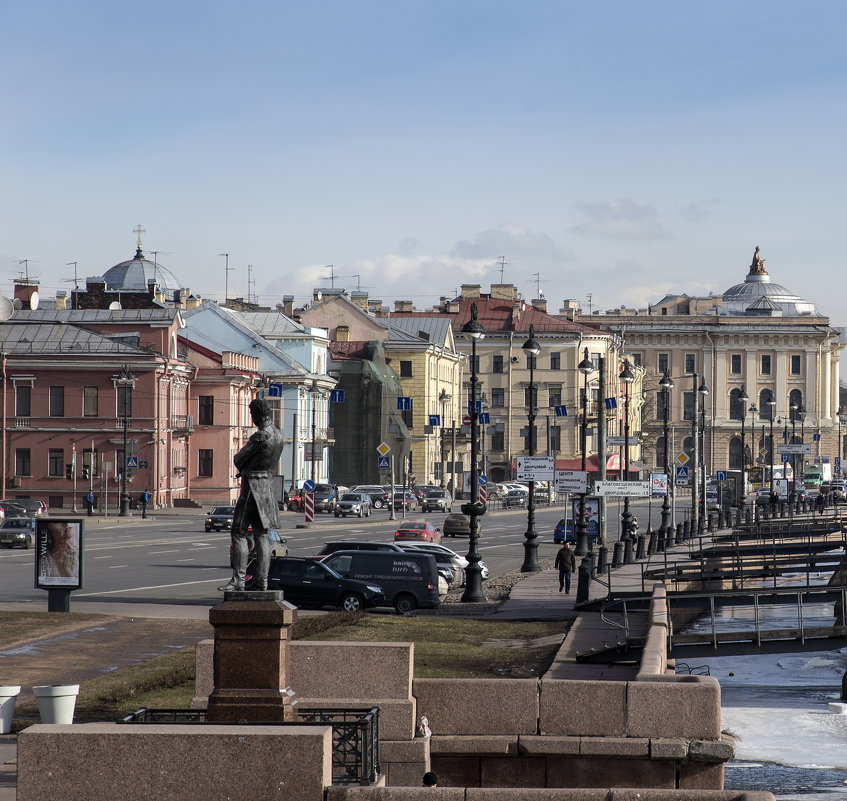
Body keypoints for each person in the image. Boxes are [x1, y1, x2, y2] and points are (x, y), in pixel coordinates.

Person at [219, 398, 285, 592]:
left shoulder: (260, 436)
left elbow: (238, 458)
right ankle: (261, 581)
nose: (252, 419)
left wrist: (245, 465)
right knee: (262, 536)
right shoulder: (279, 435)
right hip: (267, 487)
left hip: (252, 488)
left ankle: (238, 581)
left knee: (238, 533)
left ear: (257, 415)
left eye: (252, 415)